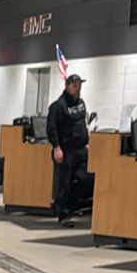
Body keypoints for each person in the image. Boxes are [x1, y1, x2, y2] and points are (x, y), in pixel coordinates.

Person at [47, 74, 90, 226]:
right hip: (65, 149)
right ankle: (62, 213)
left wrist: (87, 142)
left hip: (81, 149)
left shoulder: (81, 104)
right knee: (63, 182)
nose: (78, 89)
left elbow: (83, 124)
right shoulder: (58, 106)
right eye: (75, 85)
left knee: (86, 178)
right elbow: (51, 129)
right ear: (68, 86)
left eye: (79, 85)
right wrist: (56, 148)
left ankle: (71, 206)